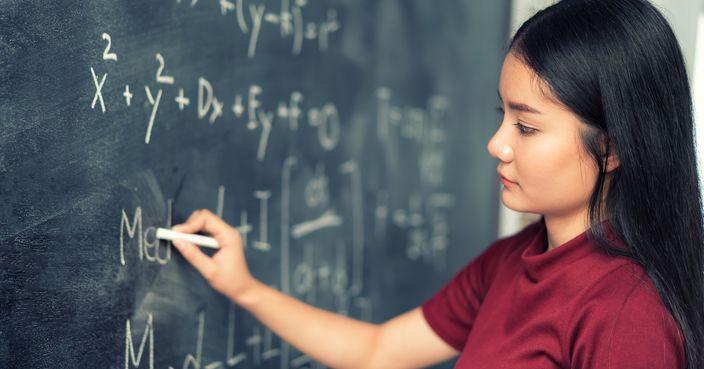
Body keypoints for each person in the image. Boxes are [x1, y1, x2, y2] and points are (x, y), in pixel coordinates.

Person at [170, 0, 704, 368]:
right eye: (502, 116)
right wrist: (244, 286)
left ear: (611, 147)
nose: (497, 144)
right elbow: (377, 350)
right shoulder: (510, 262)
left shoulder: (629, 317)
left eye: (527, 126)